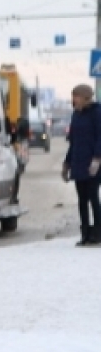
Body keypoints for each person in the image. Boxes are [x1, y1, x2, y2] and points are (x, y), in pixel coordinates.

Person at [62, 84, 101, 246]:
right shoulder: (75, 116)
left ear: (86, 97)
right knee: (81, 200)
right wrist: (67, 163)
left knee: (93, 197)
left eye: (76, 96)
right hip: (79, 162)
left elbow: (100, 137)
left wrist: (97, 158)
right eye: (73, 96)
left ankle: (97, 233)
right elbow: (73, 142)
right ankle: (85, 233)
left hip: (94, 164)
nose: (73, 100)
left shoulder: (97, 113)